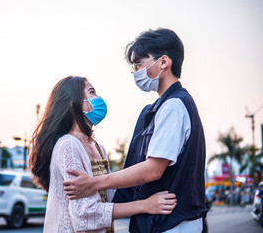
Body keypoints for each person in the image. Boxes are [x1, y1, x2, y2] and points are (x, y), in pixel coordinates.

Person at [63, 29, 208, 233]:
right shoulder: (160, 107)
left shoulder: (173, 106)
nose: (136, 70)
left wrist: (92, 183)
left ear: (164, 62)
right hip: (165, 221)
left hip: (170, 223)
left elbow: (153, 169)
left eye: (139, 63)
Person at [29, 76, 177, 233]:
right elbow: (85, 214)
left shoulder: (99, 148)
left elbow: (105, 203)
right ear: (74, 104)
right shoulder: (68, 145)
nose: (98, 98)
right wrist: (145, 205)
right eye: (91, 92)